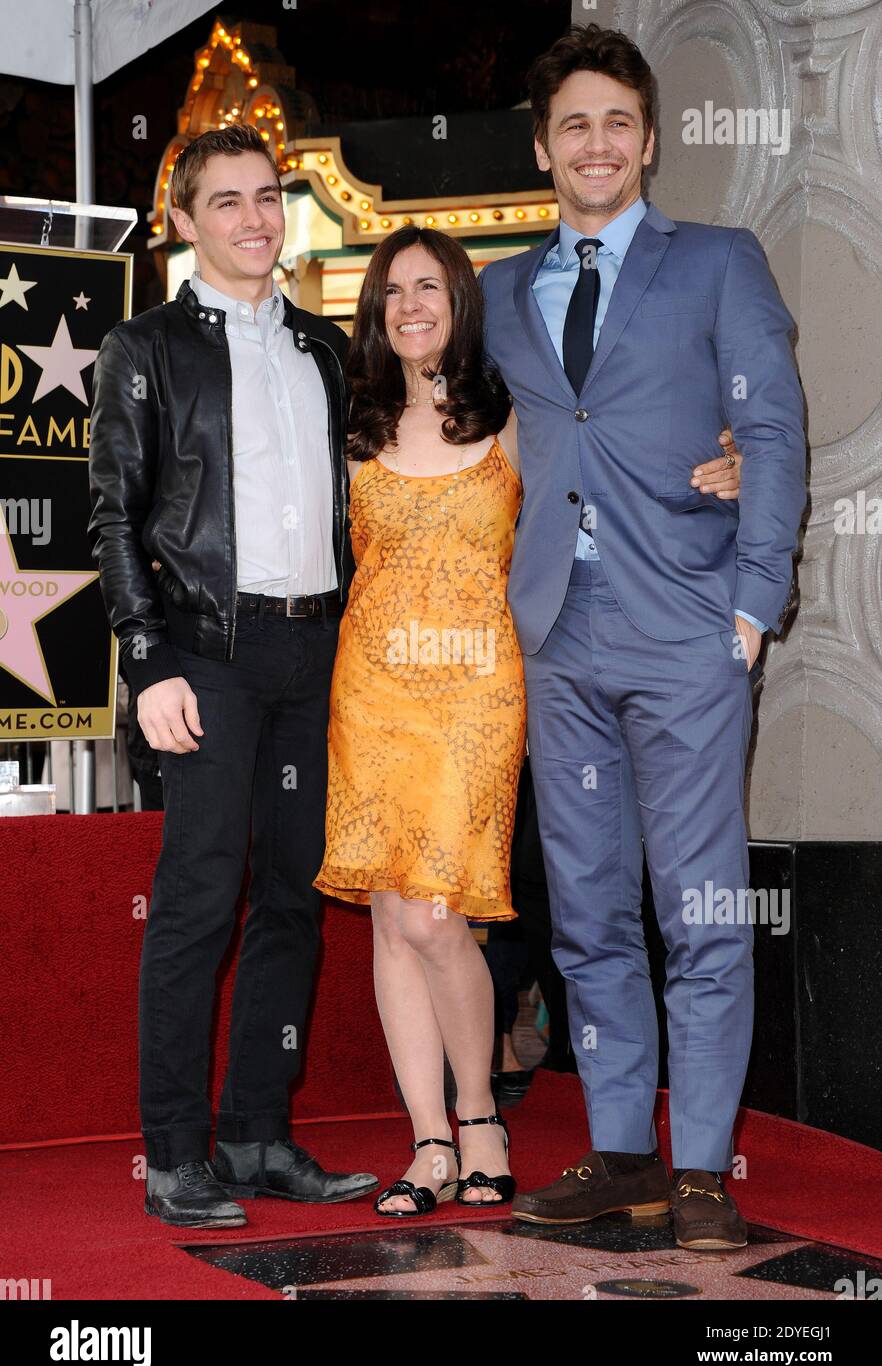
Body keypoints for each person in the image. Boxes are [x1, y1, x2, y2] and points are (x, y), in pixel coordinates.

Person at [312, 225, 744, 1217]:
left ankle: (480, 1117)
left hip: (476, 687)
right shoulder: (354, 424)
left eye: (430, 286)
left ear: (462, 305)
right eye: (392, 291)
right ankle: (425, 1140)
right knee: (388, 915)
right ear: (375, 314)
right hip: (371, 688)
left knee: (436, 915)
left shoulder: (514, 418)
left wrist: (728, 452)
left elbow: (624, 435)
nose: (411, 303)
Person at [479, 24, 805, 1249]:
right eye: (575, 124)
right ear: (543, 147)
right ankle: (624, 1154)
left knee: (704, 907)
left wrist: (752, 602)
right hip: (562, 637)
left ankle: (706, 1170)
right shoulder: (505, 291)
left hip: (688, 631)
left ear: (651, 140)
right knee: (589, 915)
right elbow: (477, 433)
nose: (597, 143)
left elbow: (771, 432)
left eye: (618, 121)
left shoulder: (719, 261)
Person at [88, 123, 378, 1227]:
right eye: (227, 202)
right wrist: (147, 657)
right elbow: (116, 517)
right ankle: (174, 1154)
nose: (256, 219)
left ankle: (257, 1132)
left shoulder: (322, 348)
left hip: (317, 653)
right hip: (206, 655)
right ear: (183, 220)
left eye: (269, 197)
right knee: (199, 901)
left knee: (293, 901)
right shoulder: (143, 348)